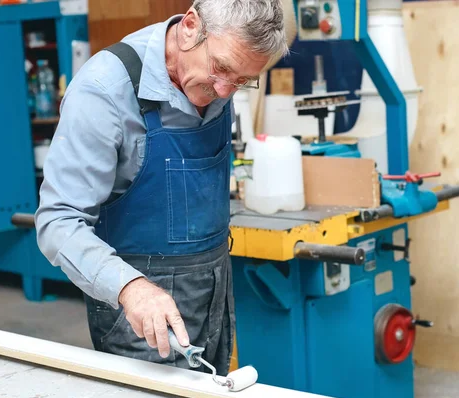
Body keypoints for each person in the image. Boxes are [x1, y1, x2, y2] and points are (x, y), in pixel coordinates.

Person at [34, 0, 289, 376]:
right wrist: (129, 288)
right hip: (140, 312)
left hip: (214, 289)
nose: (223, 90)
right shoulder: (104, 90)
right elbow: (58, 220)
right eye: (220, 69)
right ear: (190, 27)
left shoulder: (218, 80)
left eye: (240, 81)